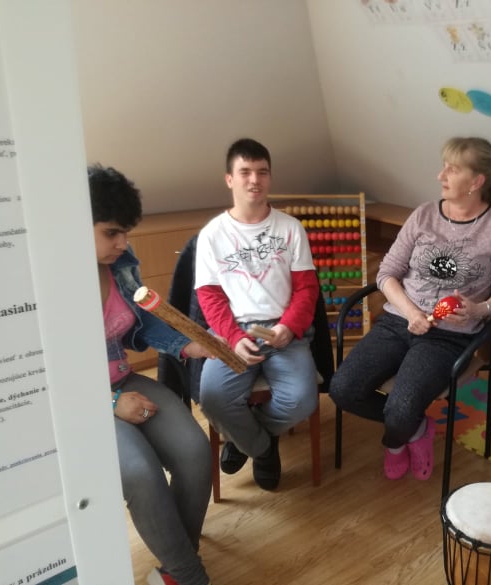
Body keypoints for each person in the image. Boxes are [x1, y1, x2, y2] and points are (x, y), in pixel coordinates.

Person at [329, 136, 491, 481]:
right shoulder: (423, 215)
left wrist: (478, 309)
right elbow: (387, 274)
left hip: (449, 337)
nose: (440, 176)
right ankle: (418, 429)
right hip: (398, 321)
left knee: (401, 409)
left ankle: (396, 441)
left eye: (452, 169)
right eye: (443, 166)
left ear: (476, 181)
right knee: (342, 389)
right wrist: (411, 313)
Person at [90, 164, 214, 585]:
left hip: (123, 378)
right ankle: (189, 575)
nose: (122, 243)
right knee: (142, 474)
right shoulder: (45, 283)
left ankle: (177, 567)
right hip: (81, 400)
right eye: (111, 233)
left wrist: (188, 344)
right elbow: (43, 375)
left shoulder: (119, 263)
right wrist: (110, 403)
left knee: (195, 451)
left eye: (126, 232)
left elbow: (144, 323)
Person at [194, 138, 319, 491]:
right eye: (245, 172)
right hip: (234, 333)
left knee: (301, 400)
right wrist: (234, 337)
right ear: (229, 179)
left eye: (262, 172)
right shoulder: (212, 235)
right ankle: (263, 449)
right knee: (213, 398)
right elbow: (209, 296)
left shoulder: (290, 228)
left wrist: (289, 327)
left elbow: (307, 289)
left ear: (270, 177)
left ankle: (245, 438)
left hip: (284, 332)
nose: (254, 180)